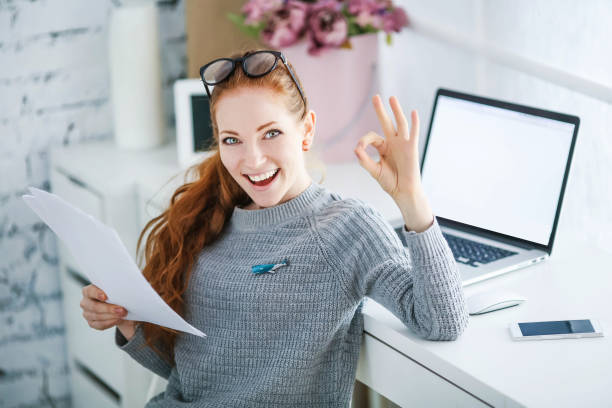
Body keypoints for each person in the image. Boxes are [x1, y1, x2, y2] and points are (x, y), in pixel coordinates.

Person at [79, 49, 469, 407]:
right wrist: (126, 322)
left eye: (271, 133)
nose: (253, 159)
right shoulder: (207, 220)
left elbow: (442, 321)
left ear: (307, 130)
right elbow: (194, 377)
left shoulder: (346, 227)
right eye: (232, 140)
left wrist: (412, 200)